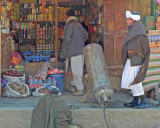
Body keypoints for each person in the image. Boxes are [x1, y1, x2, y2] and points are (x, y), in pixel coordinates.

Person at [121, 11, 150, 108]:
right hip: (132, 58)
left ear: (133, 20)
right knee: (131, 80)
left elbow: (144, 47)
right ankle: (135, 100)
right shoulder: (134, 29)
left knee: (137, 81)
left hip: (137, 58)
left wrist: (140, 58)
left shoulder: (140, 31)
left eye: (128, 19)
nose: (127, 21)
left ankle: (143, 102)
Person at [61, 9, 88, 96]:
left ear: (67, 16)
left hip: (73, 51)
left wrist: (64, 48)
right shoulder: (79, 25)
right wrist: (80, 42)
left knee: (76, 71)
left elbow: (67, 39)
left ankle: (80, 89)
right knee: (77, 69)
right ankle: (74, 85)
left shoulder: (69, 25)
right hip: (80, 50)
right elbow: (86, 36)